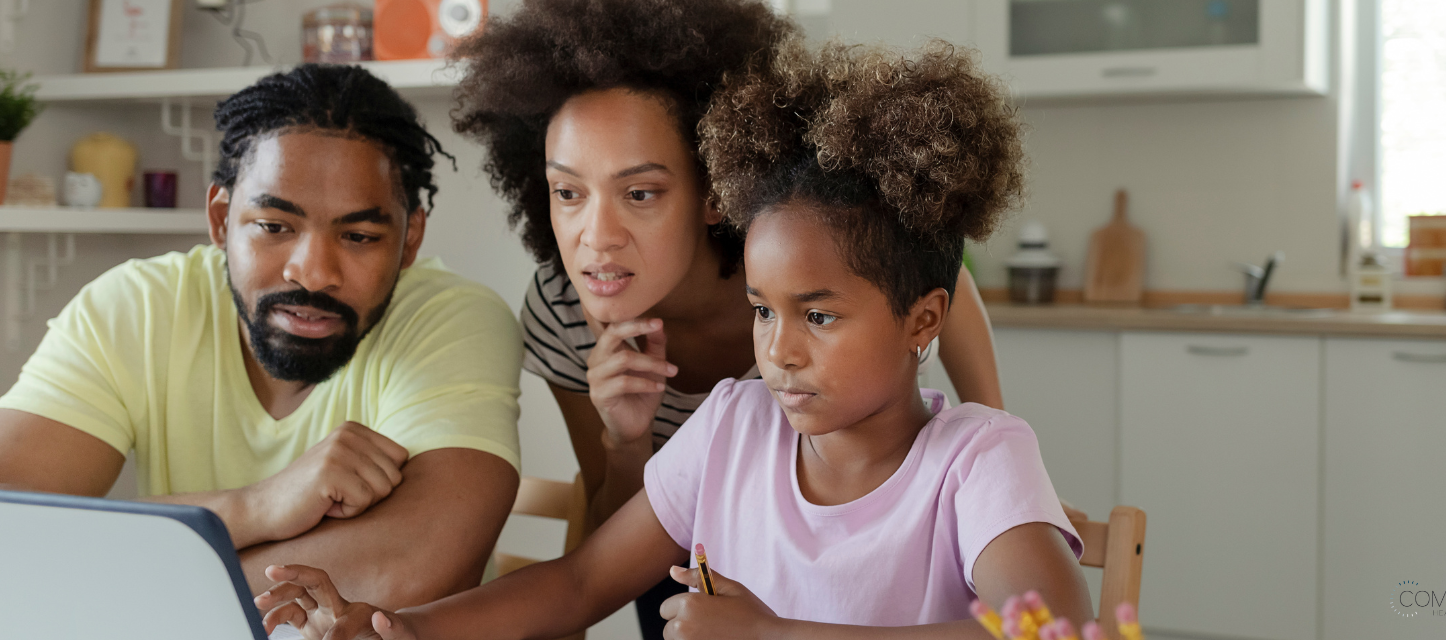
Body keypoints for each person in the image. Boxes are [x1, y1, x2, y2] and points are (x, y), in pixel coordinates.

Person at [254, 39, 1092, 640]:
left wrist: (775, 636)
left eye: (820, 316)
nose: (780, 351)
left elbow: (1050, 631)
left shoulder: (980, 457)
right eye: (763, 310)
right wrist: (397, 625)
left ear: (922, 322)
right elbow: (582, 581)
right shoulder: (729, 425)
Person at [450, 2, 1038, 633]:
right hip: (700, 549)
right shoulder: (724, 413)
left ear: (712, 197)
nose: (597, 237)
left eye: (641, 193)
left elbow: (943, 288)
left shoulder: (789, 252)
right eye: (568, 192)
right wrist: (402, 625)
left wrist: (998, 442)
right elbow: (594, 573)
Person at [0, 64, 523, 608]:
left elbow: (412, 568)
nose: (313, 271)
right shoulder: (137, 306)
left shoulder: (452, 318)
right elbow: (9, 525)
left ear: (410, 239)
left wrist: (127, 578)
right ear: (221, 218)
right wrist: (255, 506)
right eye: (274, 227)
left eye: (360, 235)